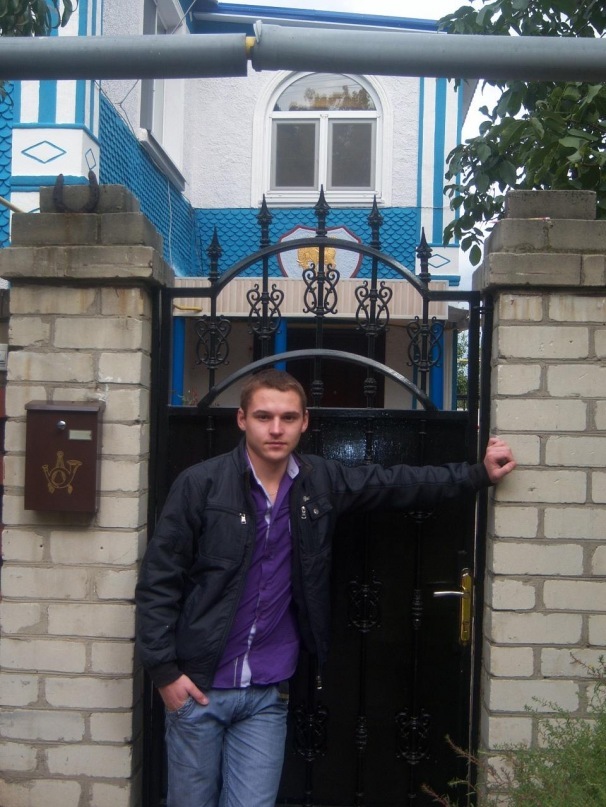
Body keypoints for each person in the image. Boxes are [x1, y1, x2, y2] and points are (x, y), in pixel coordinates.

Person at [135, 369, 516, 807]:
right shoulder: (201, 484)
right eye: (263, 416)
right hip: (198, 688)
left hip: (266, 695)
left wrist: (477, 474)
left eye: (288, 417)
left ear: (304, 422)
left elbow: (394, 483)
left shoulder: (320, 481)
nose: (276, 429)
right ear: (242, 420)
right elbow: (159, 580)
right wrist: (165, 674)